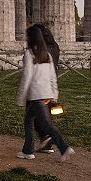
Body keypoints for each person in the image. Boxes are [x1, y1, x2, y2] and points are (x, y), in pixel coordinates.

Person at [16, 24, 75, 161]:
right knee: (29, 120)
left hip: (36, 95)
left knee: (45, 125)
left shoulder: (29, 54)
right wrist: (54, 95)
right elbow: (53, 77)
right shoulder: (47, 55)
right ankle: (27, 150)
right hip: (45, 93)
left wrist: (21, 97)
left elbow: (27, 76)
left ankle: (64, 147)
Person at [32, 22, 62, 152]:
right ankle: (49, 142)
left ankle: (46, 141)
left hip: (39, 84)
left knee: (35, 115)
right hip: (51, 82)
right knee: (46, 113)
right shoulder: (55, 46)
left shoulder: (39, 48)